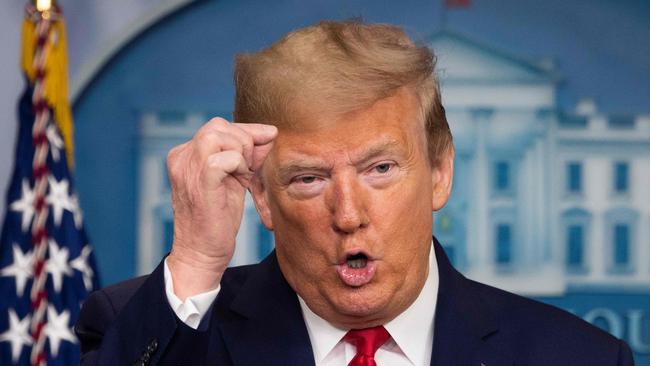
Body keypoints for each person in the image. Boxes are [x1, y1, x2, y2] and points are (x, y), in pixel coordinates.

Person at [75, 20, 634, 366]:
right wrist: (197, 261)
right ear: (263, 198)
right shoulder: (145, 328)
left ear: (439, 173)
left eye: (381, 168)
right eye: (309, 178)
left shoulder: (578, 357)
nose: (348, 215)